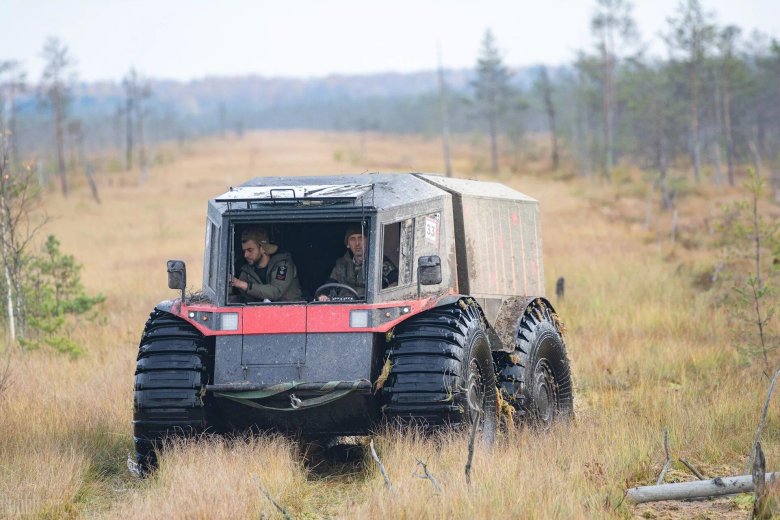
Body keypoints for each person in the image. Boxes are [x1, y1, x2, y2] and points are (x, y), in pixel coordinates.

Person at [318, 224, 398, 301]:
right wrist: (323, 295)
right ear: (348, 244)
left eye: (360, 238)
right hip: (344, 306)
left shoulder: (380, 262)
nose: (357, 244)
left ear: (368, 241)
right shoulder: (341, 265)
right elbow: (329, 285)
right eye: (352, 239)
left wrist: (381, 297)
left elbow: (395, 282)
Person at [231, 226, 302, 302]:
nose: (245, 255)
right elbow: (246, 301)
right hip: (259, 313)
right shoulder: (246, 273)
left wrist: (244, 285)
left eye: (250, 250)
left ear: (263, 248)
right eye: (244, 251)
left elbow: (276, 291)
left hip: (290, 311)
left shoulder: (283, 264)